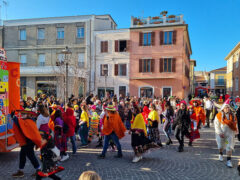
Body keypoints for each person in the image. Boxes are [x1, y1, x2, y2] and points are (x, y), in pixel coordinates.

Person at [12, 109, 42, 178]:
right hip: (25, 142)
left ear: (28, 115)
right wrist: (14, 117)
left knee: (31, 156)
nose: (22, 115)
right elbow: (20, 124)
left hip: (28, 143)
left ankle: (39, 170)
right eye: (21, 114)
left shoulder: (28, 121)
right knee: (22, 155)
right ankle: (21, 170)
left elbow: (19, 124)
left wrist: (14, 117)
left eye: (24, 114)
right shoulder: (26, 121)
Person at [214, 103, 237, 168]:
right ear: (223, 109)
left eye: (228, 107)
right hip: (221, 135)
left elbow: (235, 124)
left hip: (229, 134)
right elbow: (216, 125)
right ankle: (220, 153)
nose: (227, 109)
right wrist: (219, 132)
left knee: (229, 146)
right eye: (226, 108)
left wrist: (236, 130)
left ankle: (229, 161)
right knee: (221, 146)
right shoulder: (218, 115)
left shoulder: (233, 116)